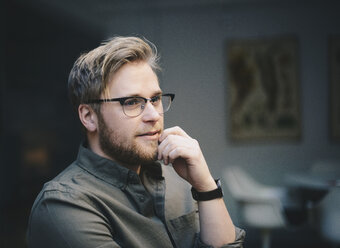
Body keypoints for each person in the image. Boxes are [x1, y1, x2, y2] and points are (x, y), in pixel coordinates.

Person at [27, 36, 245, 248]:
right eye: (131, 102)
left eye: (156, 99)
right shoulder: (64, 205)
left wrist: (206, 187)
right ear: (89, 117)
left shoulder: (179, 179)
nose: (153, 115)